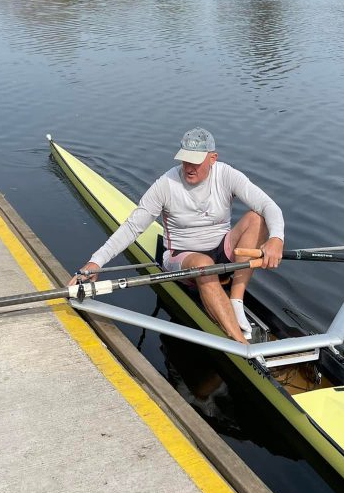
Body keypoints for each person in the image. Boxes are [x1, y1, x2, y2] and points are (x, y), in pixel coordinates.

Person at [68, 128, 284, 344]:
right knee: (204, 264)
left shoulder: (226, 175)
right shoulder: (166, 184)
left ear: (213, 158)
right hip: (181, 256)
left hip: (221, 249)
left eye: (195, 162)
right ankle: (241, 344)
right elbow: (132, 228)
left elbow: (268, 205)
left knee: (257, 218)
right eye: (185, 160)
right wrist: (96, 262)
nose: (189, 168)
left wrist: (276, 239)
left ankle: (236, 300)